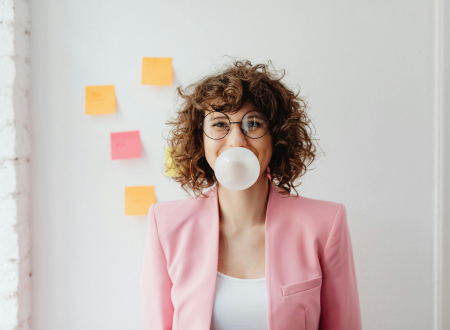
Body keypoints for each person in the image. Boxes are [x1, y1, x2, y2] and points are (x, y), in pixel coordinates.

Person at [140, 59, 362, 330]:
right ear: (201, 139)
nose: (236, 141)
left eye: (253, 123)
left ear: (277, 136)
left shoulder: (326, 224)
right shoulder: (165, 224)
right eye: (220, 124)